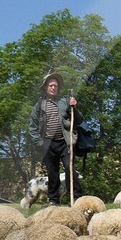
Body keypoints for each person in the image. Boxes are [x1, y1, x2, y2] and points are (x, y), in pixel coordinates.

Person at [30, 72, 80, 203]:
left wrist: (74, 107)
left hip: (65, 142)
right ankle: (53, 200)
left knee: (70, 169)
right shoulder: (40, 105)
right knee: (53, 172)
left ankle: (75, 198)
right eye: (51, 85)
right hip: (48, 143)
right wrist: (40, 143)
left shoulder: (64, 102)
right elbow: (32, 125)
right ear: (45, 87)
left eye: (56, 86)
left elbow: (78, 119)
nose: (53, 88)